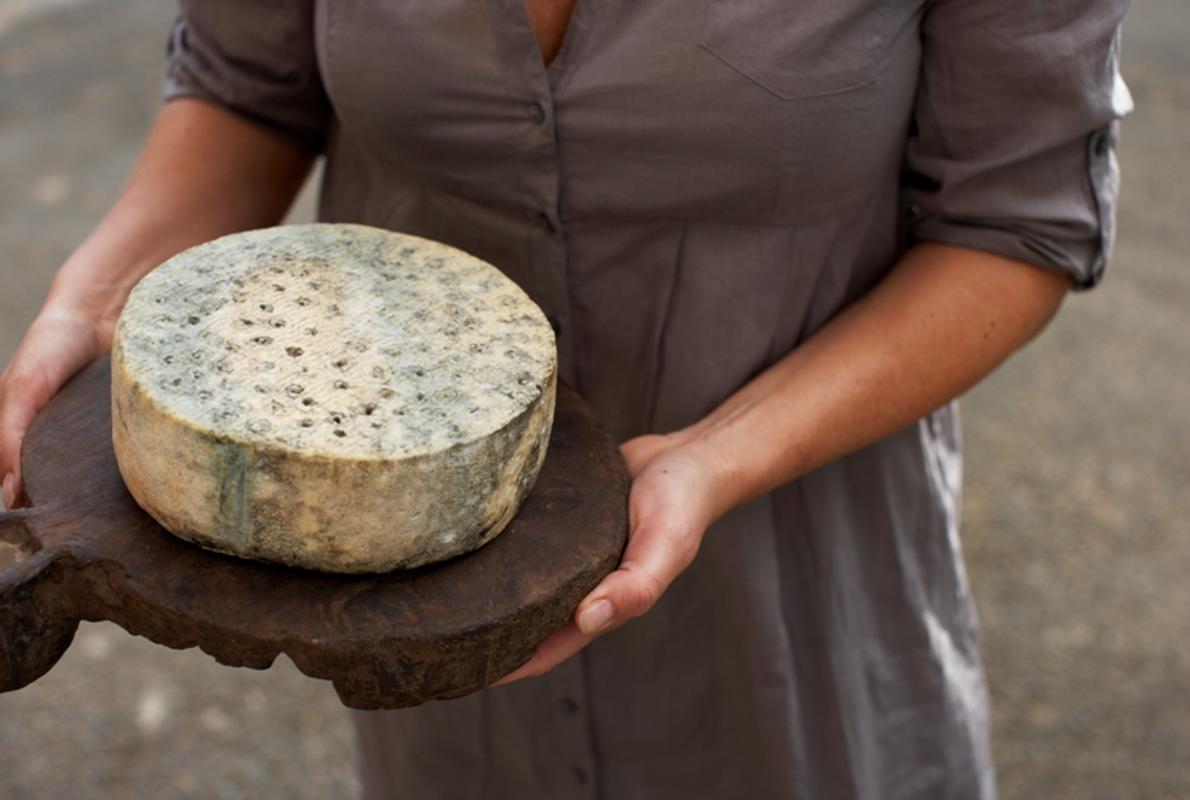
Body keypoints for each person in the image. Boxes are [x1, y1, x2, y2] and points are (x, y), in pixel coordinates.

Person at [0, 1, 1131, 797]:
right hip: (429, 574)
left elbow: (1011, 223)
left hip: (792, 587)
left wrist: (716, 454)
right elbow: (251, 88)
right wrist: (91, 299)